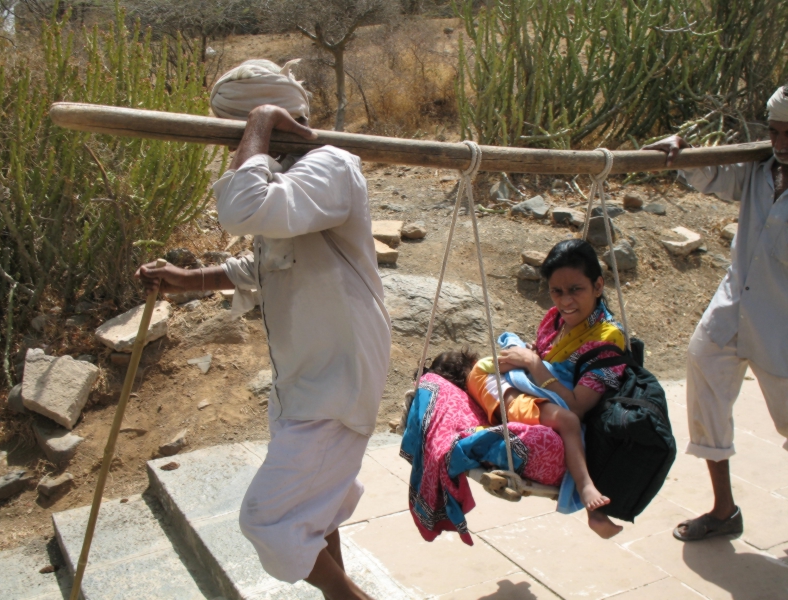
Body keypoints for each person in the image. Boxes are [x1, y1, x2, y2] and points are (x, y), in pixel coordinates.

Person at [136, 59, 391, 599]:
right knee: (313, 507)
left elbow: (244, 209)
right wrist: (190, 279)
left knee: (267, 519)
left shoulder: (331, 167)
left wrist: (258, 121)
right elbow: (267, 263)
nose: (235, 153)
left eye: (239, 139)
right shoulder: (290, 180)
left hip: (337, 377)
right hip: (303, 376)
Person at [642, 85, 788, 542]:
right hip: (735, 305)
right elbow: (711, 175)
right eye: (774, 131)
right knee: (703, 369)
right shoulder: (760, 171)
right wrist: (681, 152)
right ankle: (724, 510)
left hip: (782, 326)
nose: (780, 142)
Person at [427, 239, 628, 538]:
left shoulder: (607, 340)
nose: (565, 301)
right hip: (502, 384)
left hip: (532, 389)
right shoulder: (556, 320)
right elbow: (545, 362)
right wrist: (531, 361)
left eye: (576, 289)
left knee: (568, 419)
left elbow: (577, 406)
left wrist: (534, 364)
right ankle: (587, 494)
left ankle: (589, 496)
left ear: (598, 286)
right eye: (557, 291)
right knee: (563, 419)